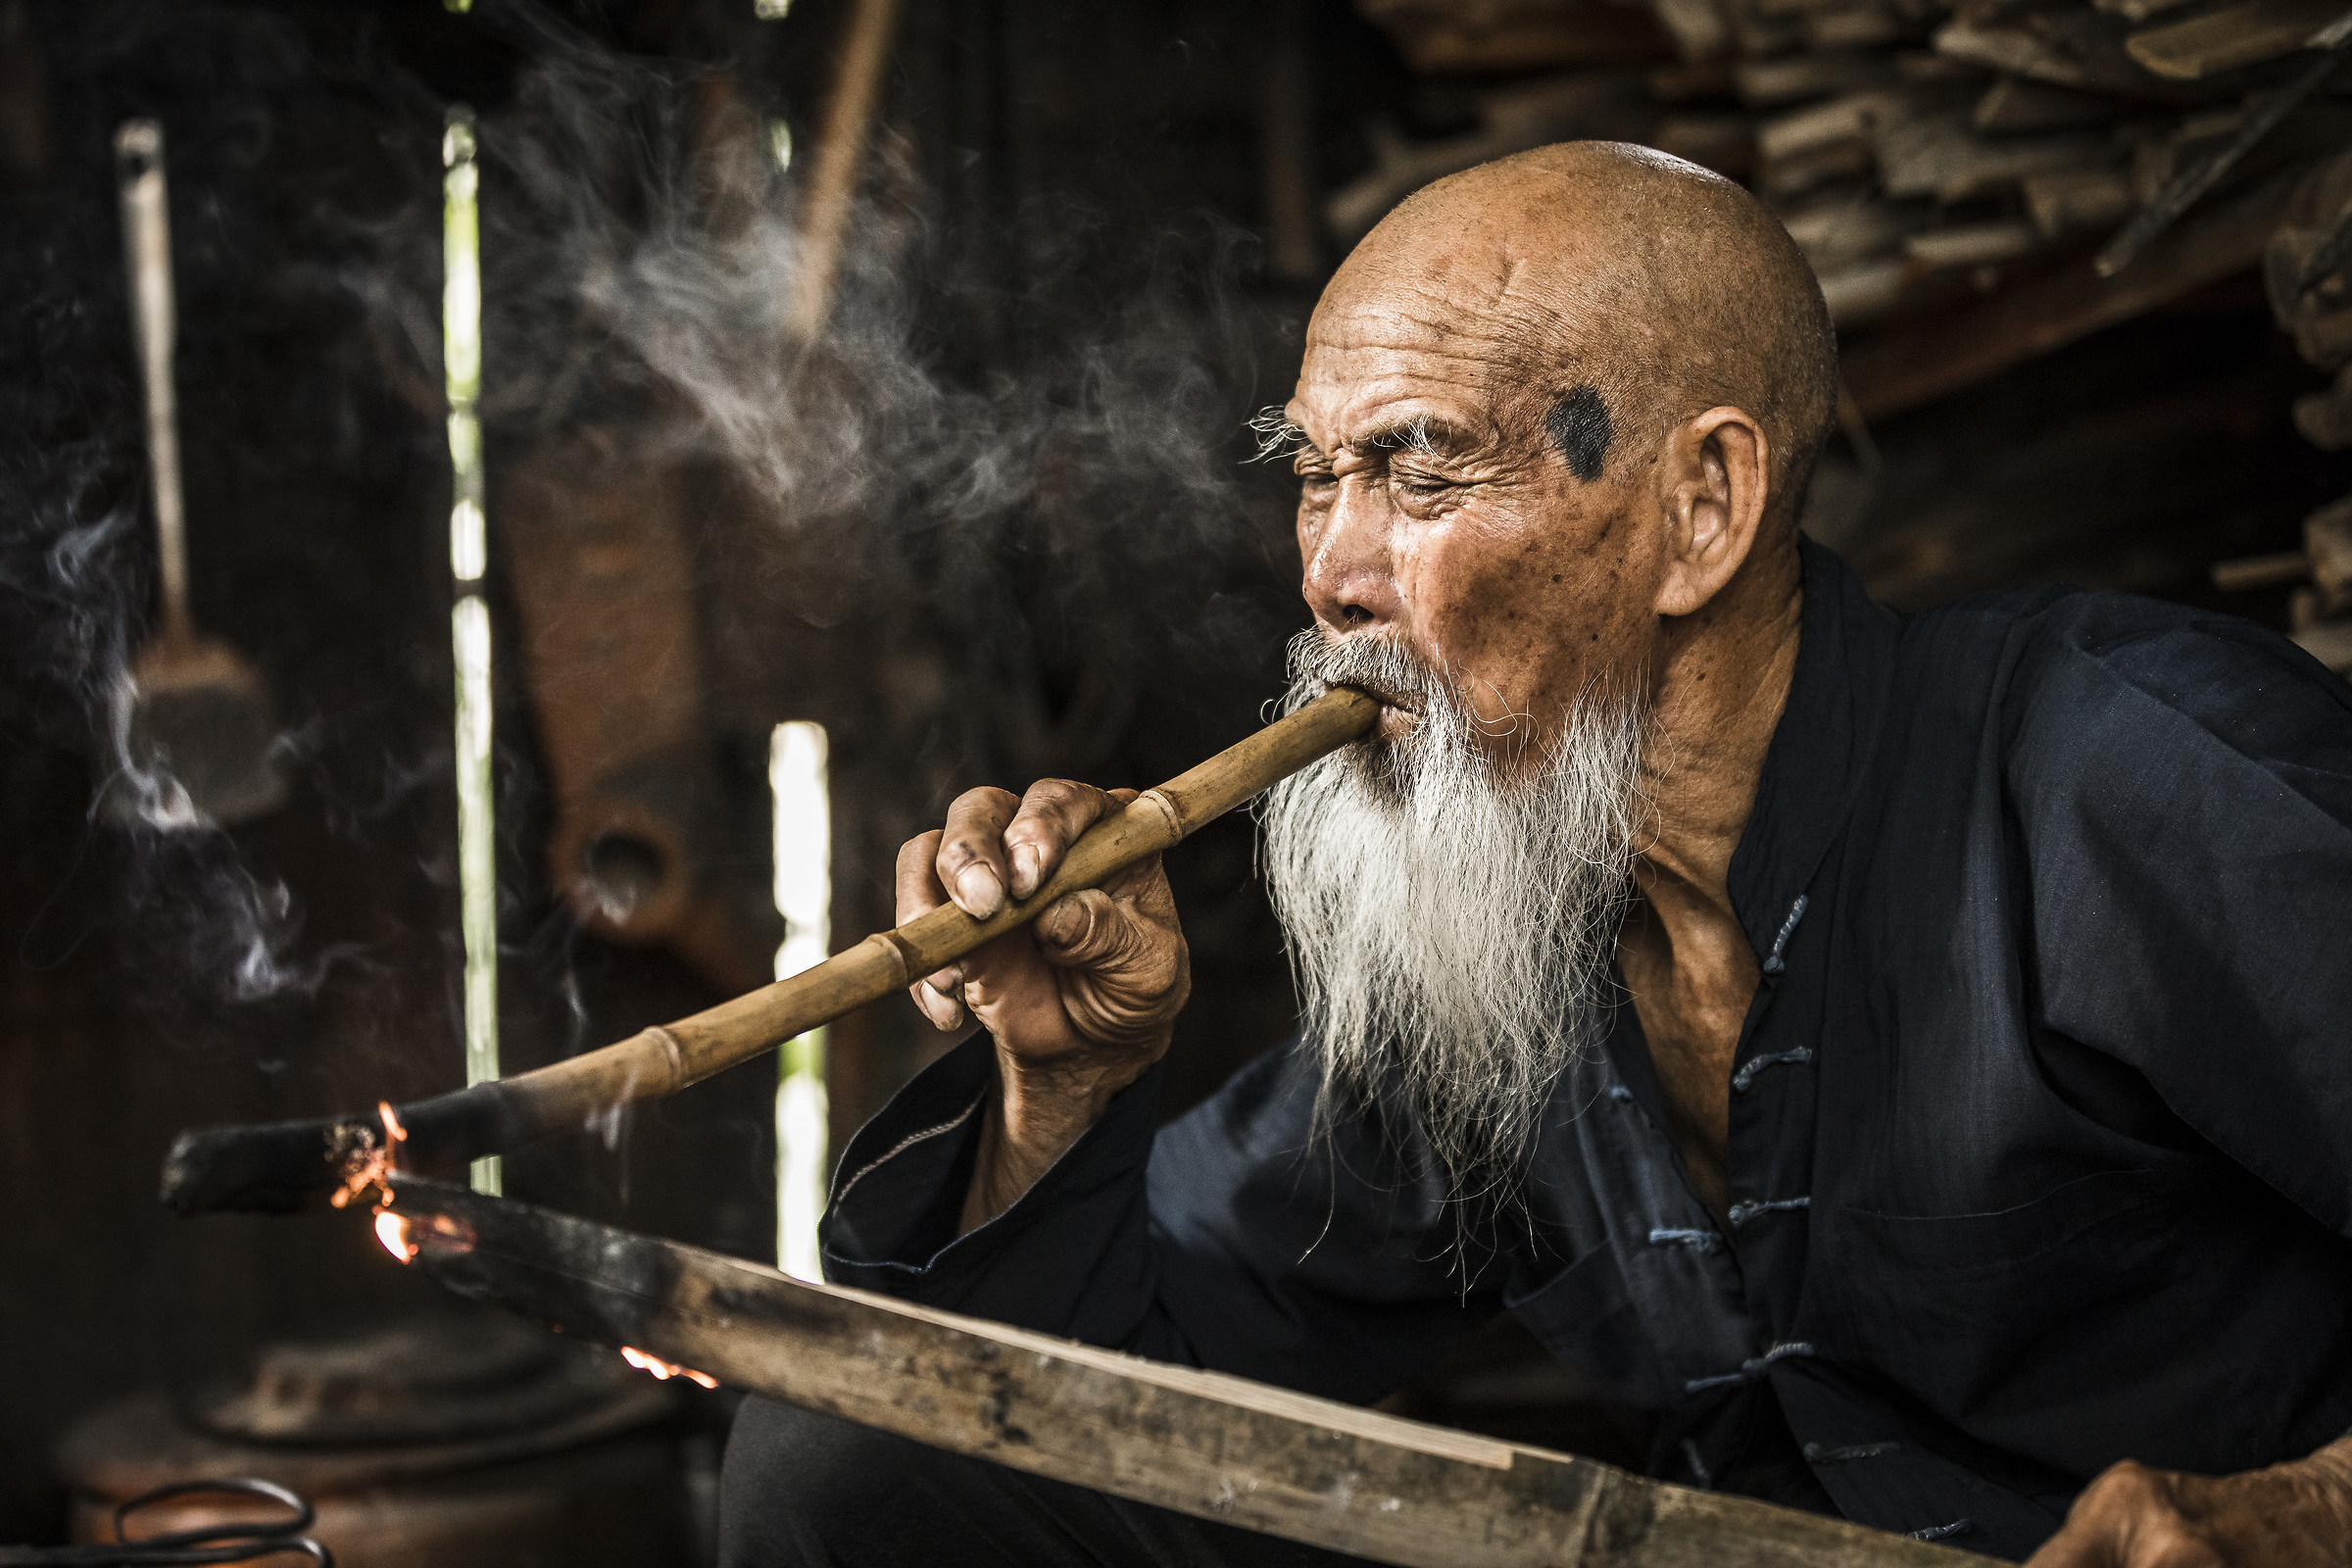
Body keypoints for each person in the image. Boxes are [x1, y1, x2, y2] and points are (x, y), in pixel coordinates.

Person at [718, 142, 2352, 1566]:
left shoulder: (2120, 774)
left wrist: (2309, 1517)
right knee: (857, 1470)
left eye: (1422, 470)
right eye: (1315, 481)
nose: (1337, 578)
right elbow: (1103, 1402)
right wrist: (1066, 1085)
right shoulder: (1503, 927)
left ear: (1700, 507)